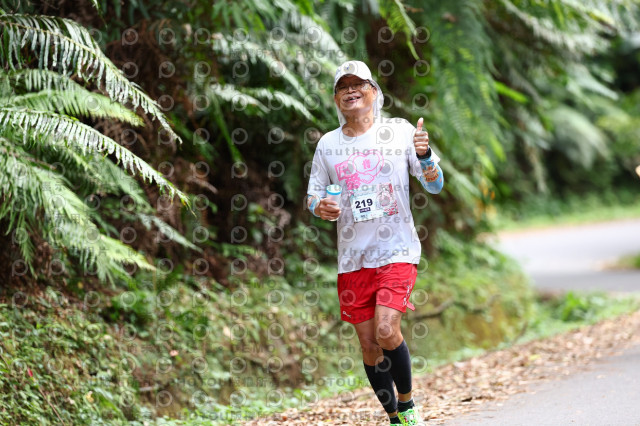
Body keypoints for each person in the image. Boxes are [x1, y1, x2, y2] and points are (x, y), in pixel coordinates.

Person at [305, 60, 444, 426]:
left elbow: (434, 184)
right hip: (353, 259)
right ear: (336, 99)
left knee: (386, 330)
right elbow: (313, 196)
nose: (351, 90)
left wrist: (424, 155)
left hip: (397, 250)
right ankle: (393, 416)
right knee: (369, 345)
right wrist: (321, 207)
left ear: (374, 92)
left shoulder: (398, 132)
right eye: (343, 86)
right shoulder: (328, 145)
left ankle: (408, 404)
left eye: (359, 84)